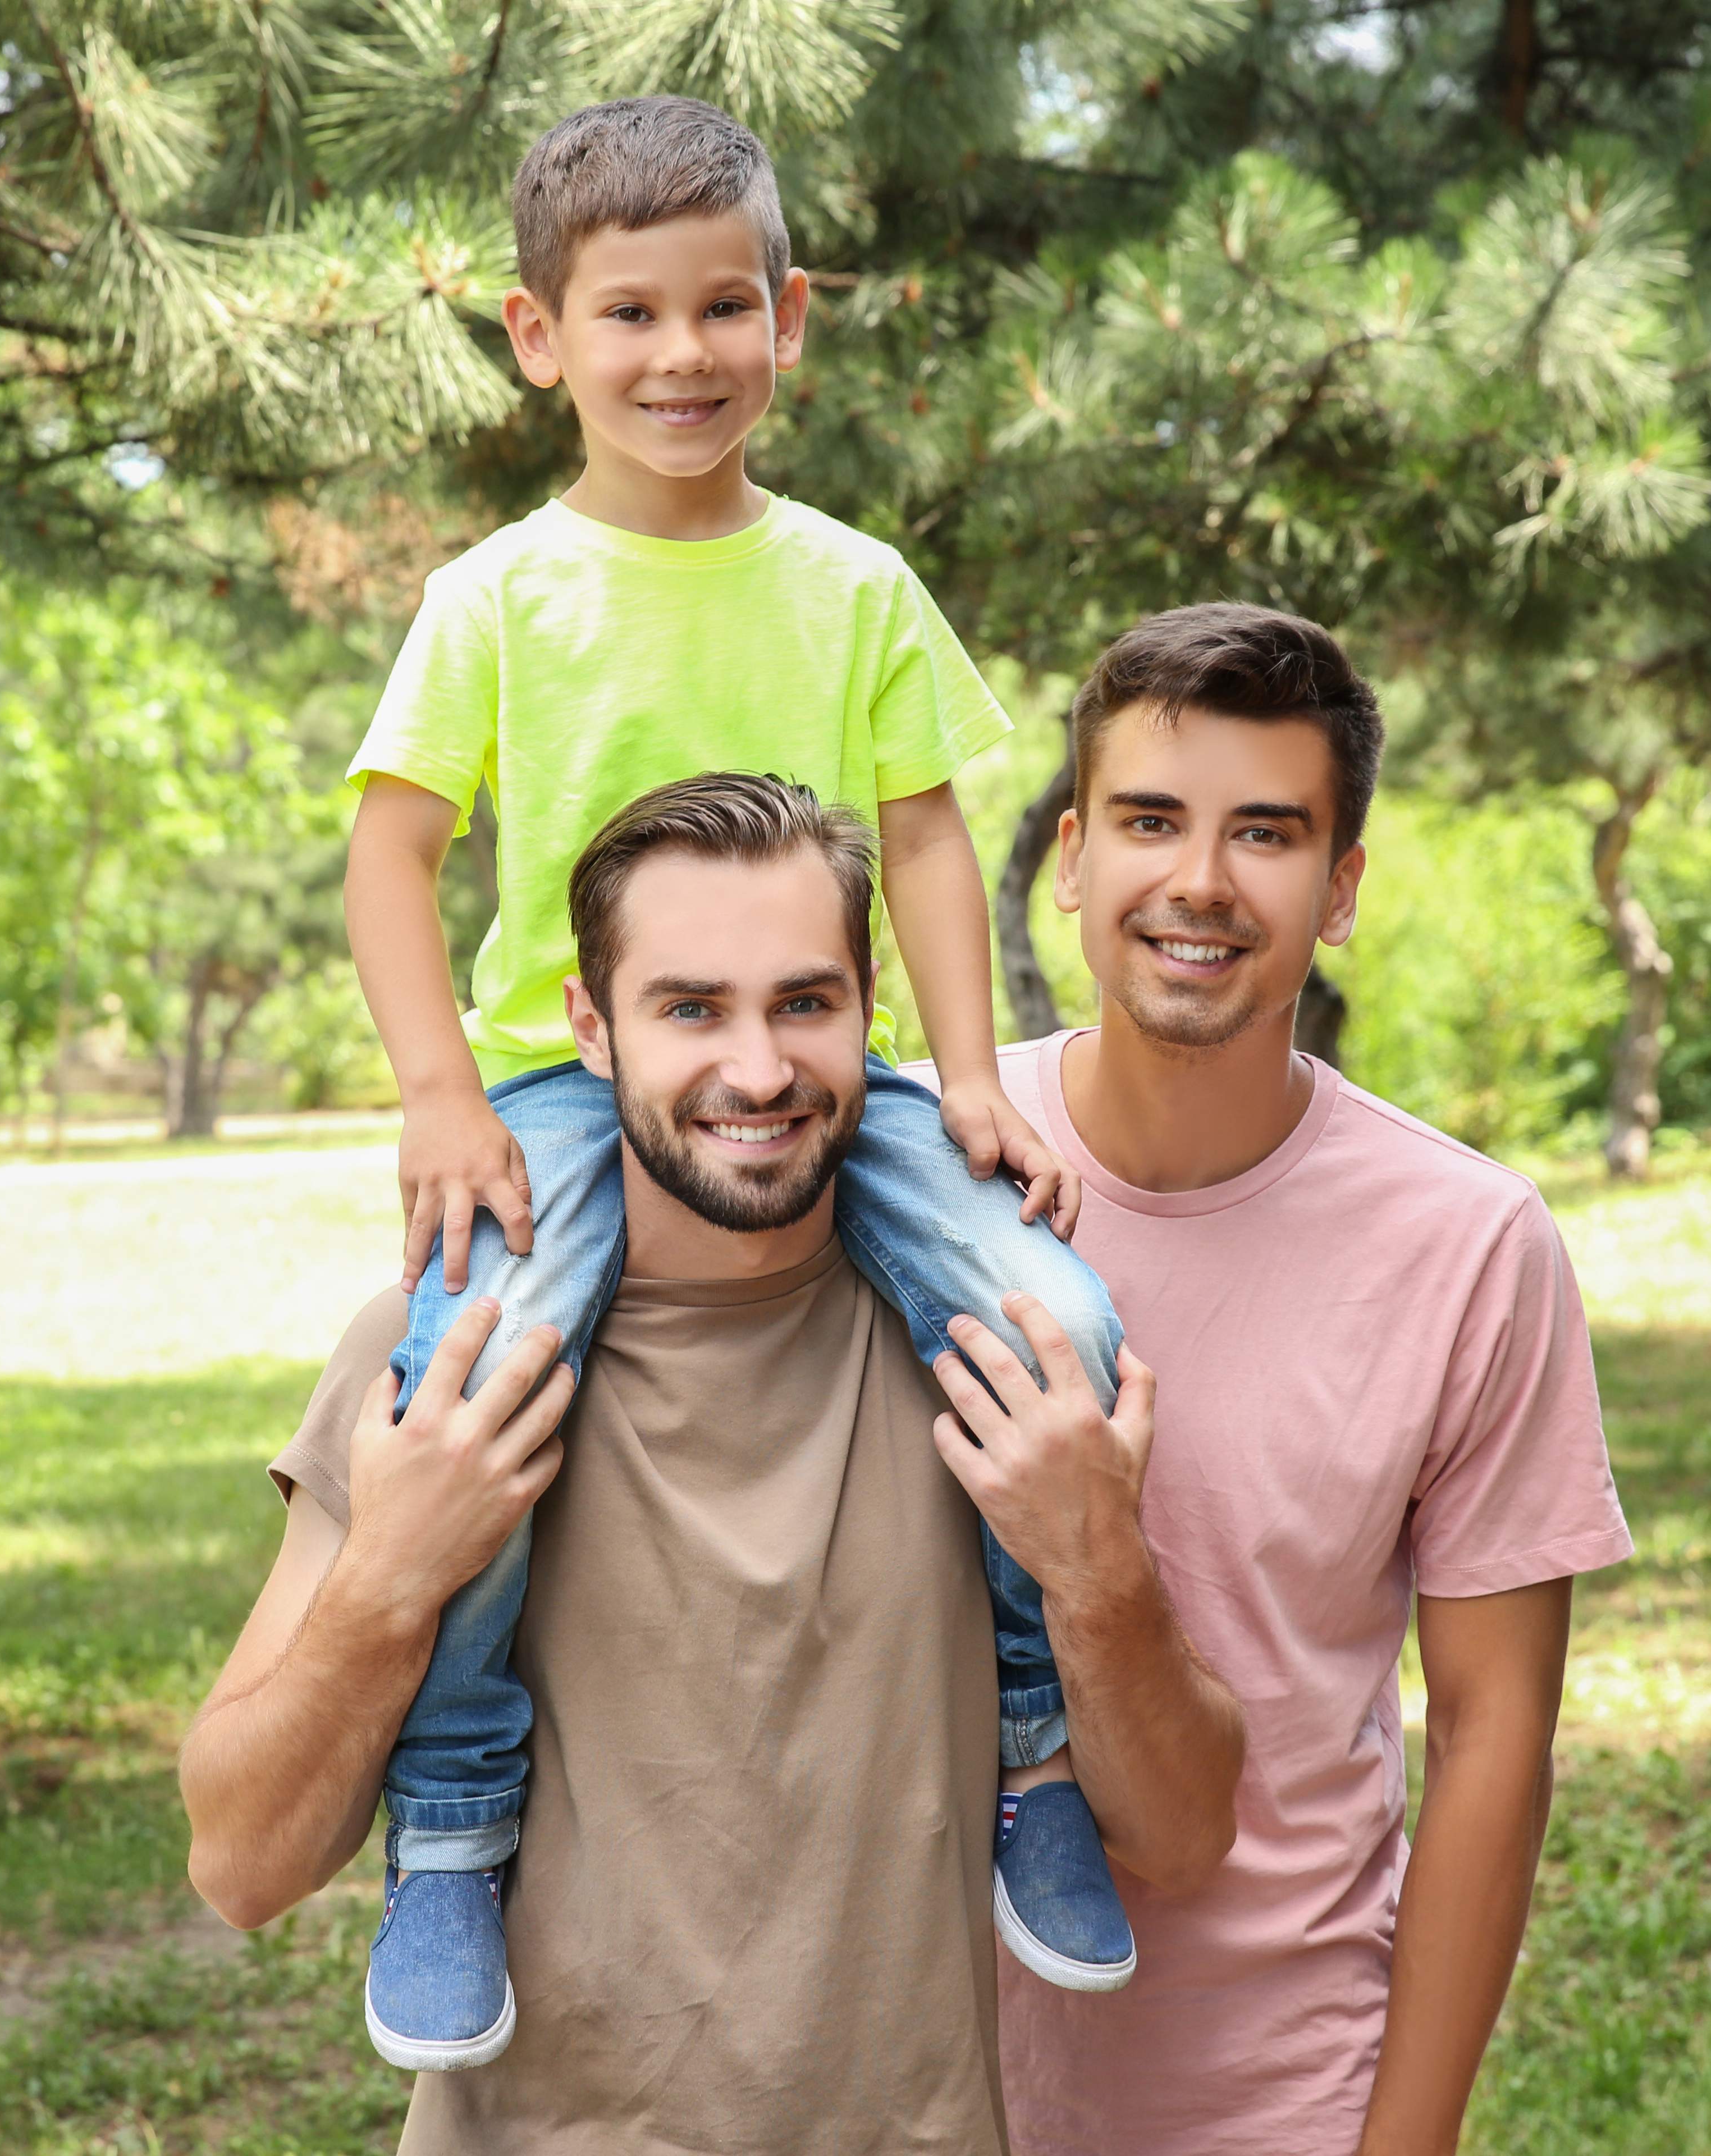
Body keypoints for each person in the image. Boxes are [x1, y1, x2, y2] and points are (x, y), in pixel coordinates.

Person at [338, 95, 1136, 2065]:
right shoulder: (499, 596)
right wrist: (444, 1093)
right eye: (627, 315)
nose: (679, 356)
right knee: (471, 1372)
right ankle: (451, 1825)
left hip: (833, 1076)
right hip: (564, 1078)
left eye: (721, 309)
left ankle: (1036, 1751)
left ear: (788, 317)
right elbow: (389, 853)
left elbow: (934, 840)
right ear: (542, 339)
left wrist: (964, 1075)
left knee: (1065, 1317)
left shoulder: (855, 584)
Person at [181, 776, 1243, 2153]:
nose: (757, 1070)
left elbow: (1179, 1840)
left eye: (805, 1003)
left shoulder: (994, 1362)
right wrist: (394, 1572)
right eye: (689, 1009)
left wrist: (1098, 1564)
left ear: (872, 1011)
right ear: (588, 1030)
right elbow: (242, 1867)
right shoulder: (438, 1355)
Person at [972, 606, 1636, 2155]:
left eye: (1265, 834)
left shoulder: (1470, 1246)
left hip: (1276, 2099)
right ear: (1073, 857)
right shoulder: (925, 1157)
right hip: (913, 2085)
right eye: (1150, 821)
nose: (1198, 883)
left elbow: (1492, 1738)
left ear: (1339, 890)